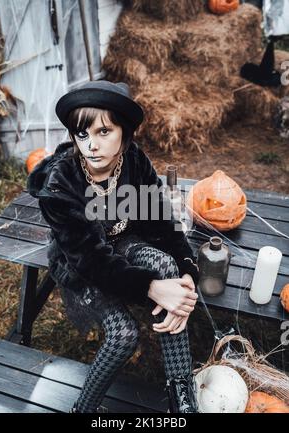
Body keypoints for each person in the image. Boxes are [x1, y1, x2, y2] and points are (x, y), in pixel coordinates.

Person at [27, 80, 199, 413]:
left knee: (169, 268)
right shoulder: (61, 183)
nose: (91, 145)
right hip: (79, 264)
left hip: (123, 242)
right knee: (123, 335)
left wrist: (188, 269)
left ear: (124, 131)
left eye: (103, 132)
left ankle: (182, 397)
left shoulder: (134, 161)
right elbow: (91, 260)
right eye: (82, 134)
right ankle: (84, 408)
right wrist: (151, 289)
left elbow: (162, 222)